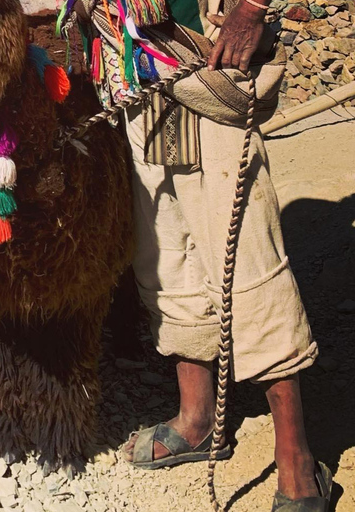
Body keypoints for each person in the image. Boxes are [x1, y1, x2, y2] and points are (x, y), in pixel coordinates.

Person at [67, 0, 334, 509]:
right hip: (136, 77)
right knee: (167, 253)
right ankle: (196, 419)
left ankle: (295, 458)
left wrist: (252, 9)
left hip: (205, 59)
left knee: (248, 257)